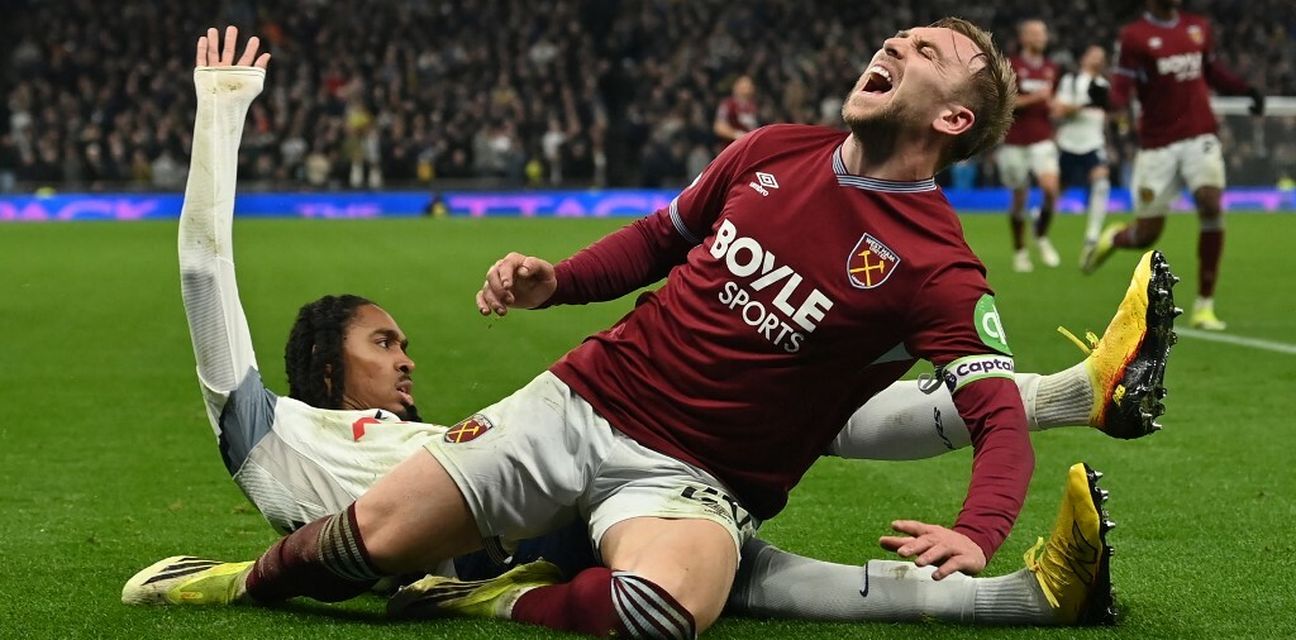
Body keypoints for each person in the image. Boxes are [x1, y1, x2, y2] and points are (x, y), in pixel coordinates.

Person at [124, 23, 1176, 636]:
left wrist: (977, 532)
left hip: (696, 478)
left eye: (926, 51)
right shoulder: (771, 150)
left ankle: (490, 600)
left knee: (666, 613)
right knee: (378, 536)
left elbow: (993, 415)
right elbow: (659, 240)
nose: (894, 44)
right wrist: (557, 282)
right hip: (580, 401)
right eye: (897, 37)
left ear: (953, 119)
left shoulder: (939, 266)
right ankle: (234, 579)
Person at [1083, 0, 1265, 330]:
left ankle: (1204, 306)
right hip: (1158, 144)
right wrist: (1105, 99)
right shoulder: (1135, 36)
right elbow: (1122, 91)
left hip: (1200, 134)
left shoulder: (1198, 27)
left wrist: (1246, 90)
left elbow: (1213, 72)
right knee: (1147, 234)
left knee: (1210, 203)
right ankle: (1116, 238)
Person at [996, 19, 1062, 273]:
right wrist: (1037, 98)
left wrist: (1057, 107)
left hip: (1042, 139)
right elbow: (1007, 102)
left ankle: (1041, 234)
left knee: (1050, 189)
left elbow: (1052, 101)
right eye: (1034, 33)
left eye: (1042, 33)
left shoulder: (1052, 68)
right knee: (1019, 198)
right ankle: (1020, 251)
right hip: (1015, 141)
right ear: (1023, 38)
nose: (1040, 38)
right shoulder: (1011, 65)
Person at [1055, 45, 1114, 268]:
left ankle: (1092, 235)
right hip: (1069, 142)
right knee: (1058, 190)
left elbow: (1106, 114)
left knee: (1101, 183)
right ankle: (1041, 216)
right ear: (1084, 58)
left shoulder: (1104, 85)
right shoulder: (1071, 81)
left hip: (1093, 143)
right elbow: (1058, 110)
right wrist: (1084, 103)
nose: (1098, 59)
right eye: (1094, 55)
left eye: (1101, 57)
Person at [713, 75, 760, 147]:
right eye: (744, 85)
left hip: (749, 147)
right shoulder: (728, 104)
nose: (748, 88)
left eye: (749, 85)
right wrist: (737, 135)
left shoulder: (753, 106)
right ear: (736, 87)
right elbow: (719, 127)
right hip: (733, 147)